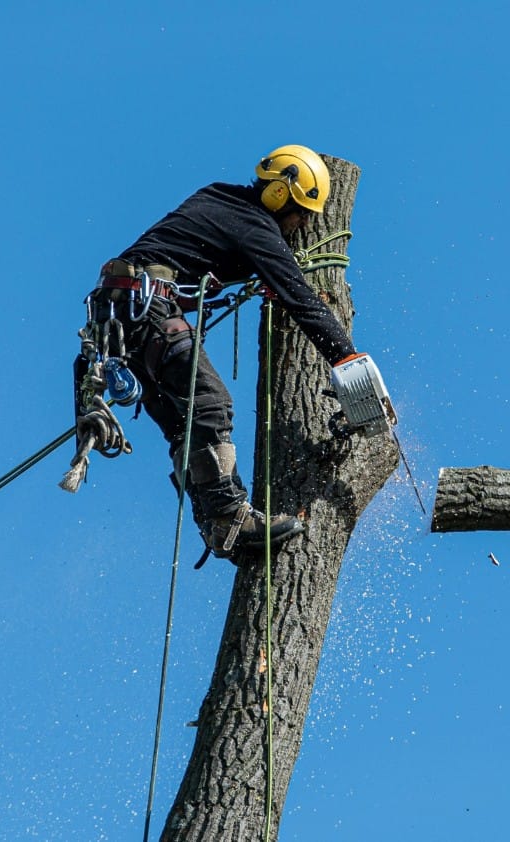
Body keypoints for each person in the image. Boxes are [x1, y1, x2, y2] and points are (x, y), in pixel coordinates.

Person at [76, 145, 372, 560]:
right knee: (212, 405)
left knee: (187, 426)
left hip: (119, 317)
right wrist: (347, 360)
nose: (301, 224)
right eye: (301, 213)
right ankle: (231, 516)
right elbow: (302, 300)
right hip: (146, 310)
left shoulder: (219, 197)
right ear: (279, 196)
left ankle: (218, 527)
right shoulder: (254, 224)